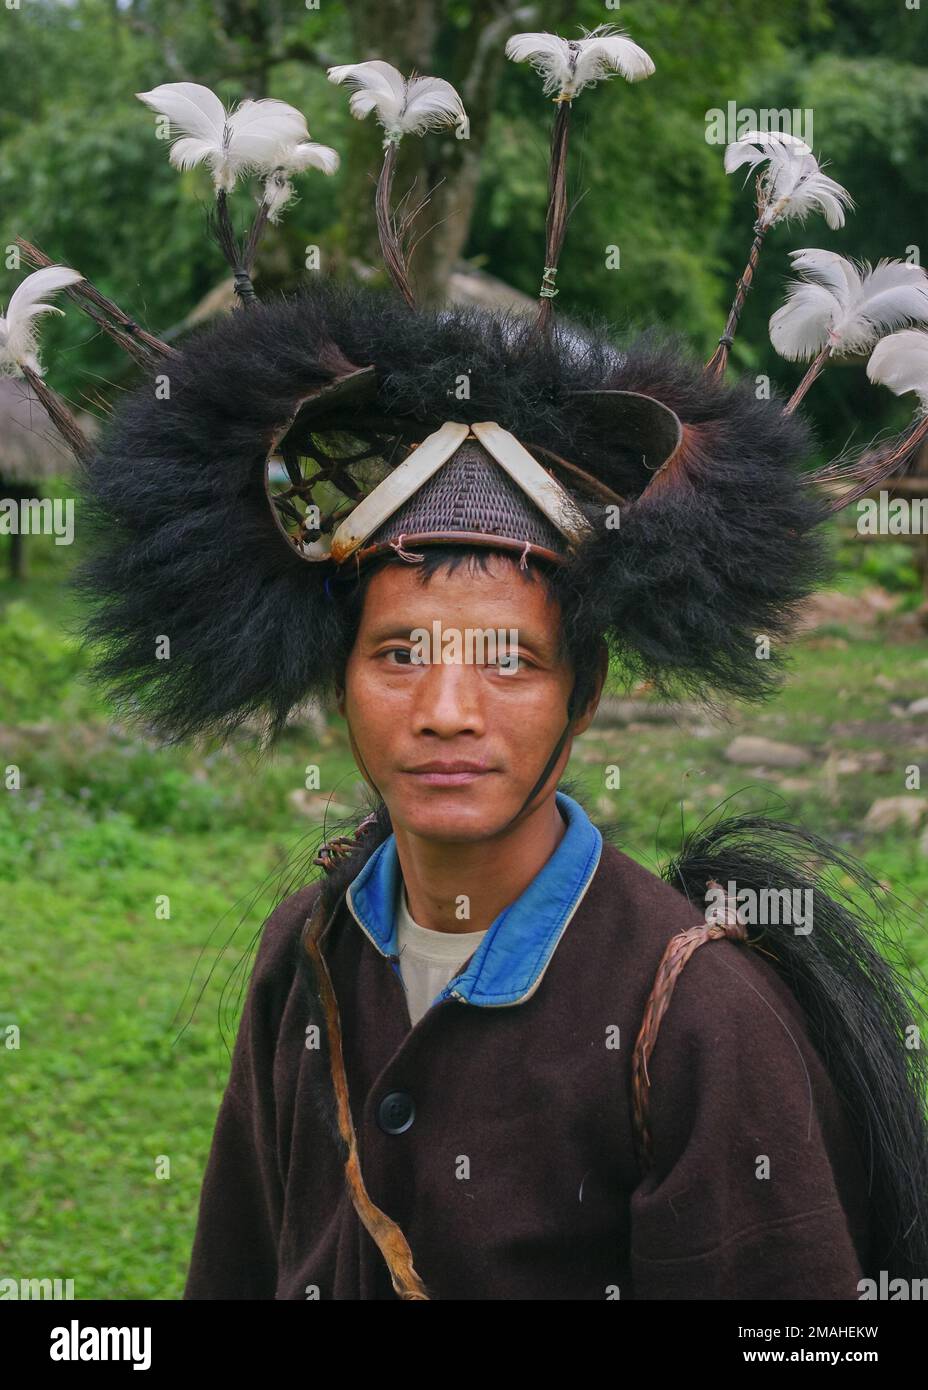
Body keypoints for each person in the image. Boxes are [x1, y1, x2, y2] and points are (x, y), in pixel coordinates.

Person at [17, 27, 928, 1300]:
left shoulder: (698, 1022)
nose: (446, 711)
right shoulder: (308, 955)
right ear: (336, 677)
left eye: (508, 660)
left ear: (585, 694)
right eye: (397, 652)